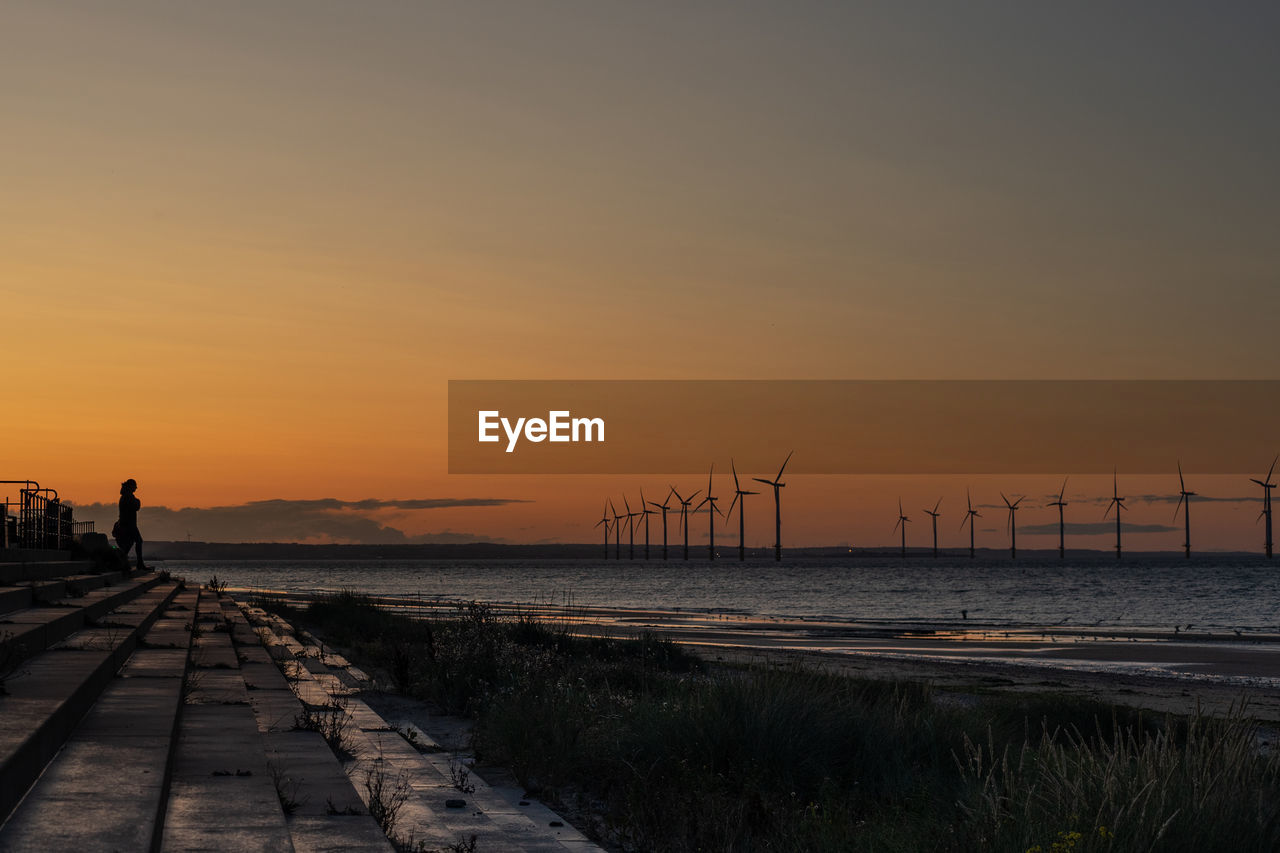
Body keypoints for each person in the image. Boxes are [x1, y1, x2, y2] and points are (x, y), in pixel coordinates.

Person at [117, 479, 148, 571]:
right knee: (138, 541)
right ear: (131, 486)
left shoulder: (126, 496)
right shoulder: (128, 496)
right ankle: (139, 563)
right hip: (129, 524)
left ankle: (121, 560)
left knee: (130, 543)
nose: (136, 488)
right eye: (135, 486)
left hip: (126, 523)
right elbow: (136, 506)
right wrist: (138, 501)